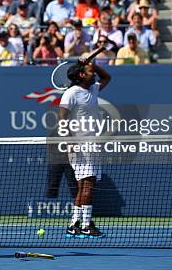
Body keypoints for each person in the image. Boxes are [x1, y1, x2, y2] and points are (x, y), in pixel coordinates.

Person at [58, 58, 111, 238]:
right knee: (88, 183)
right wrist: (67, 139)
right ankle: (87, 225)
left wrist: (92, 64)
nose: (93, 73)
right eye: (89, 71)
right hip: (80, 145)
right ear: (81, 75)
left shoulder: (93, 88)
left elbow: (107, 77)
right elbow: (61, 117)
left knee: (83, 185)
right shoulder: (71, 93)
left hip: (92, 144)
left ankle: (74, 224)